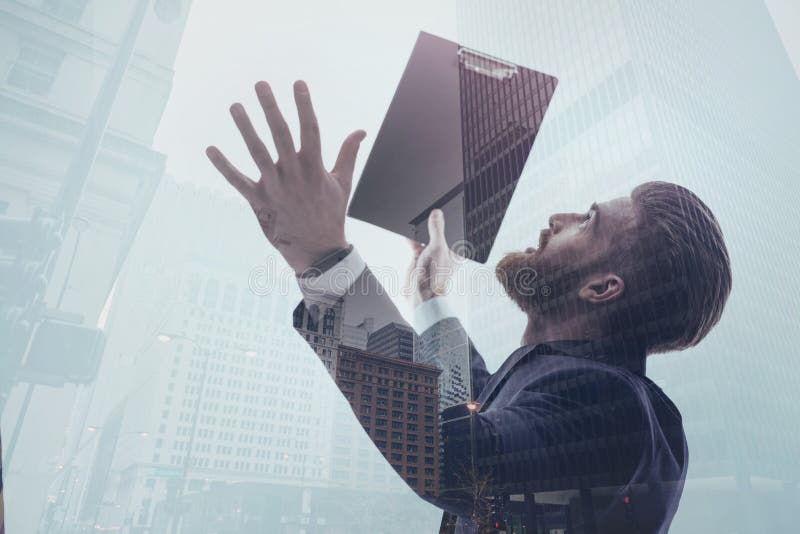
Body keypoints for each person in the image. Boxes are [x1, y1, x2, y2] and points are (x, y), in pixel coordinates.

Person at [207, 81, 731, 533]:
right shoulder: (581, 390)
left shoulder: (616, 408)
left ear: (601, 288)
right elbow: (475, 400)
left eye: (588, 220)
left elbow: (458, 454)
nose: (558, 216)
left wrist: (326, 256)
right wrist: (431, 297)